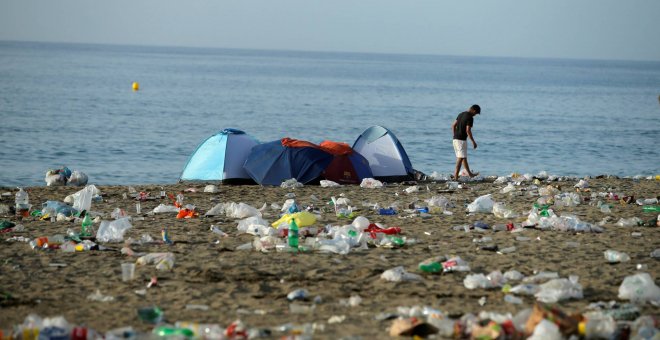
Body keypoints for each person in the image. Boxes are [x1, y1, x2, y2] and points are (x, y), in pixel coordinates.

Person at [451, 104, 480, 179]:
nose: (475, 115)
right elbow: (468, 130)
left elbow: (453, 126)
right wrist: (473, 142)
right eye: (475, 113)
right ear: (473, 110)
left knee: (463, 157)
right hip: (461, 140)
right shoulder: (470, 117)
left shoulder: (461, 114)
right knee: (460, 158)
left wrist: (455, 136)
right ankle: (455, 176)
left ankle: (470, 174)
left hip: (456, 139)